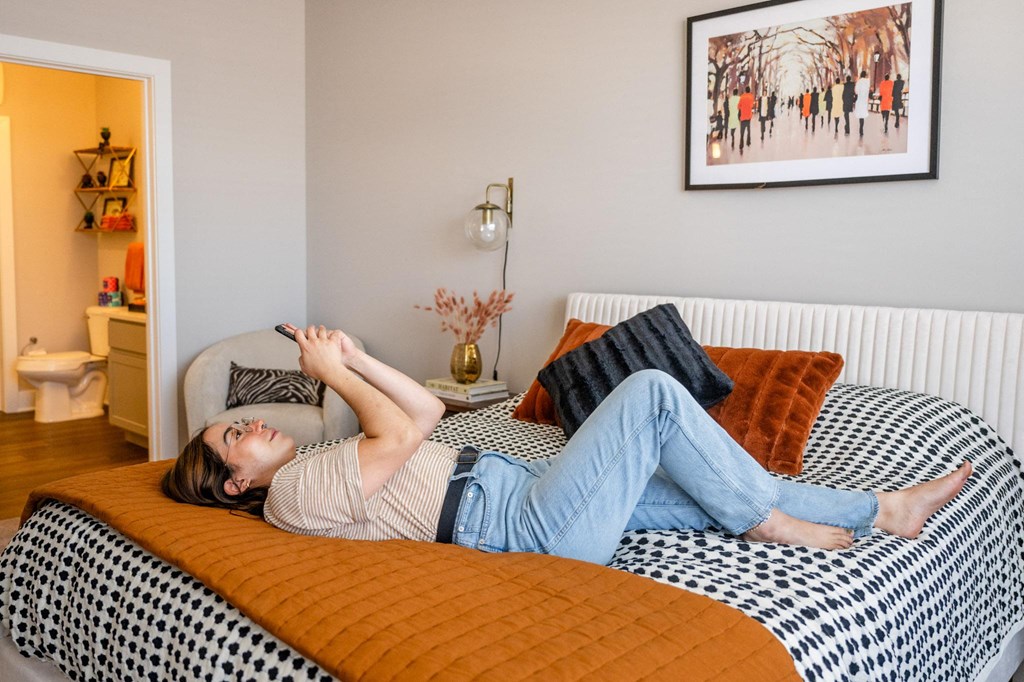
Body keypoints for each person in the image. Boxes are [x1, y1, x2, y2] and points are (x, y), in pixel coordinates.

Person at [162, 324, 974, 567]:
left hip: (529, 482)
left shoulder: (311, 465)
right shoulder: (298, 496)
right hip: (527, 526)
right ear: (235, 484)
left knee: (701, 485)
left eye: (244, 419)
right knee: (653, 393)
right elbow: (402, 431)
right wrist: (332, 376)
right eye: (237, 434)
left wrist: (357, 355)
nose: (256, 423)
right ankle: (763, 518)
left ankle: (886, 507)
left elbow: (429, 413)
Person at [738, 86, 755, 150]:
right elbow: (752, 105)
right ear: (749, 90)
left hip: (743, 116)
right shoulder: (751, 96)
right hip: (748, 116)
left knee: (742, 131)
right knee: (748, 129)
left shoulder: (742, 96)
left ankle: (741, 144)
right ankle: (748, 142)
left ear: (745, 90)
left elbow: (739, 106)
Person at [854, 70, 870, 137]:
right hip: (864, 100)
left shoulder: (859, 82)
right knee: (863, 115)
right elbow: (868, 90)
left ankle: (860, 128)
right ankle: (861, 128)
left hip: (859, 100)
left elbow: (856, 91)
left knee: (860, 115)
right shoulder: (867, 82)